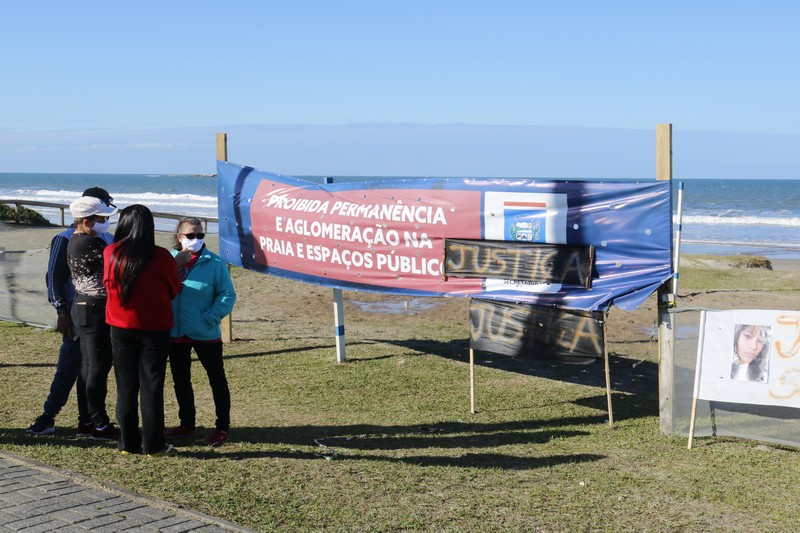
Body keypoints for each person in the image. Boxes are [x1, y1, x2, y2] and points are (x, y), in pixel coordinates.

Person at [26, 187, 115, 436]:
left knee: (92, 367)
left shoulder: (107, 237)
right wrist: (61, 310)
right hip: (77, 312)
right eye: (102, 209)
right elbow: (54, 276)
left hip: (103, 313)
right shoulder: (65, 238)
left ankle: (87, 420)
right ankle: (48, 416)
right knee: (69, 366)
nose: (106, 216)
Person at [104, 204, 182, 456]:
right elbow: (174, 289)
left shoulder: (111, 253)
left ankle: (128, 442)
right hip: (155, 328)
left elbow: (108, 285)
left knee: (125, 386)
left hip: (120, 327)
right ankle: (154, 445)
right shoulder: (162, 256)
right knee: (151, 387)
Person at [165, 217, 236, 446]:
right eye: (190, 235)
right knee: (180, 380)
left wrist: (210, 317)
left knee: (216, 379)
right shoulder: (168, 260)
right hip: (176, 332)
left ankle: (222, 427)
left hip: (205, 332)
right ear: (179, 237)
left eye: (200, 235)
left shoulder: (214, 263)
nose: (195, 239)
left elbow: (227, 295)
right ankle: (186, 424)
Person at [65, 194, 120, 441]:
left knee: (88, 366)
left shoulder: (75, 240)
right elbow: (117, 265)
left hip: (82, 305)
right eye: (101, 219)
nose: (106, 223)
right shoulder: (92, 243)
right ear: (87, 221)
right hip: (96, 307)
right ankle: (99, 424)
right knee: (98, 366)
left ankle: (87, 421)